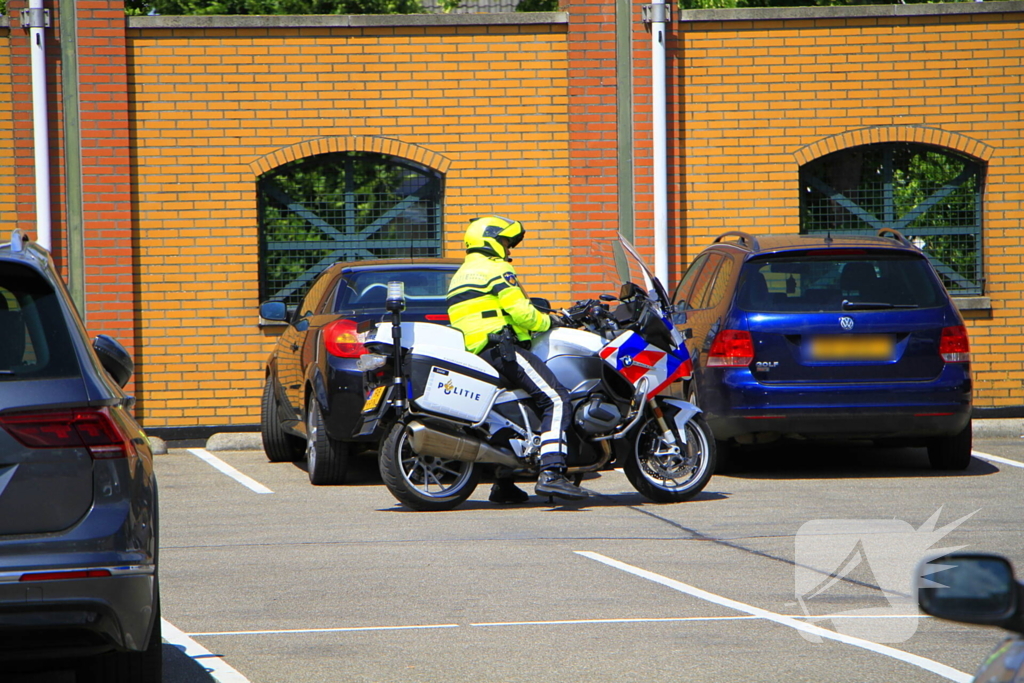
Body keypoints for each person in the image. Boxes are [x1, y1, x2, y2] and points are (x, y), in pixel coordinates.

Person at [446, 216, 587, 503]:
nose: (510, 250)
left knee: (516, 410)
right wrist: (552, 321)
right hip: (501, 349)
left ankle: (504, 482)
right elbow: (523, 313)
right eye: (507, 243)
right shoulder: (496, 269)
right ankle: (552, 473)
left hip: (477, 351)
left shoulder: (461, 273)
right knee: (557, 398)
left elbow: (489, 311)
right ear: (492, 241)